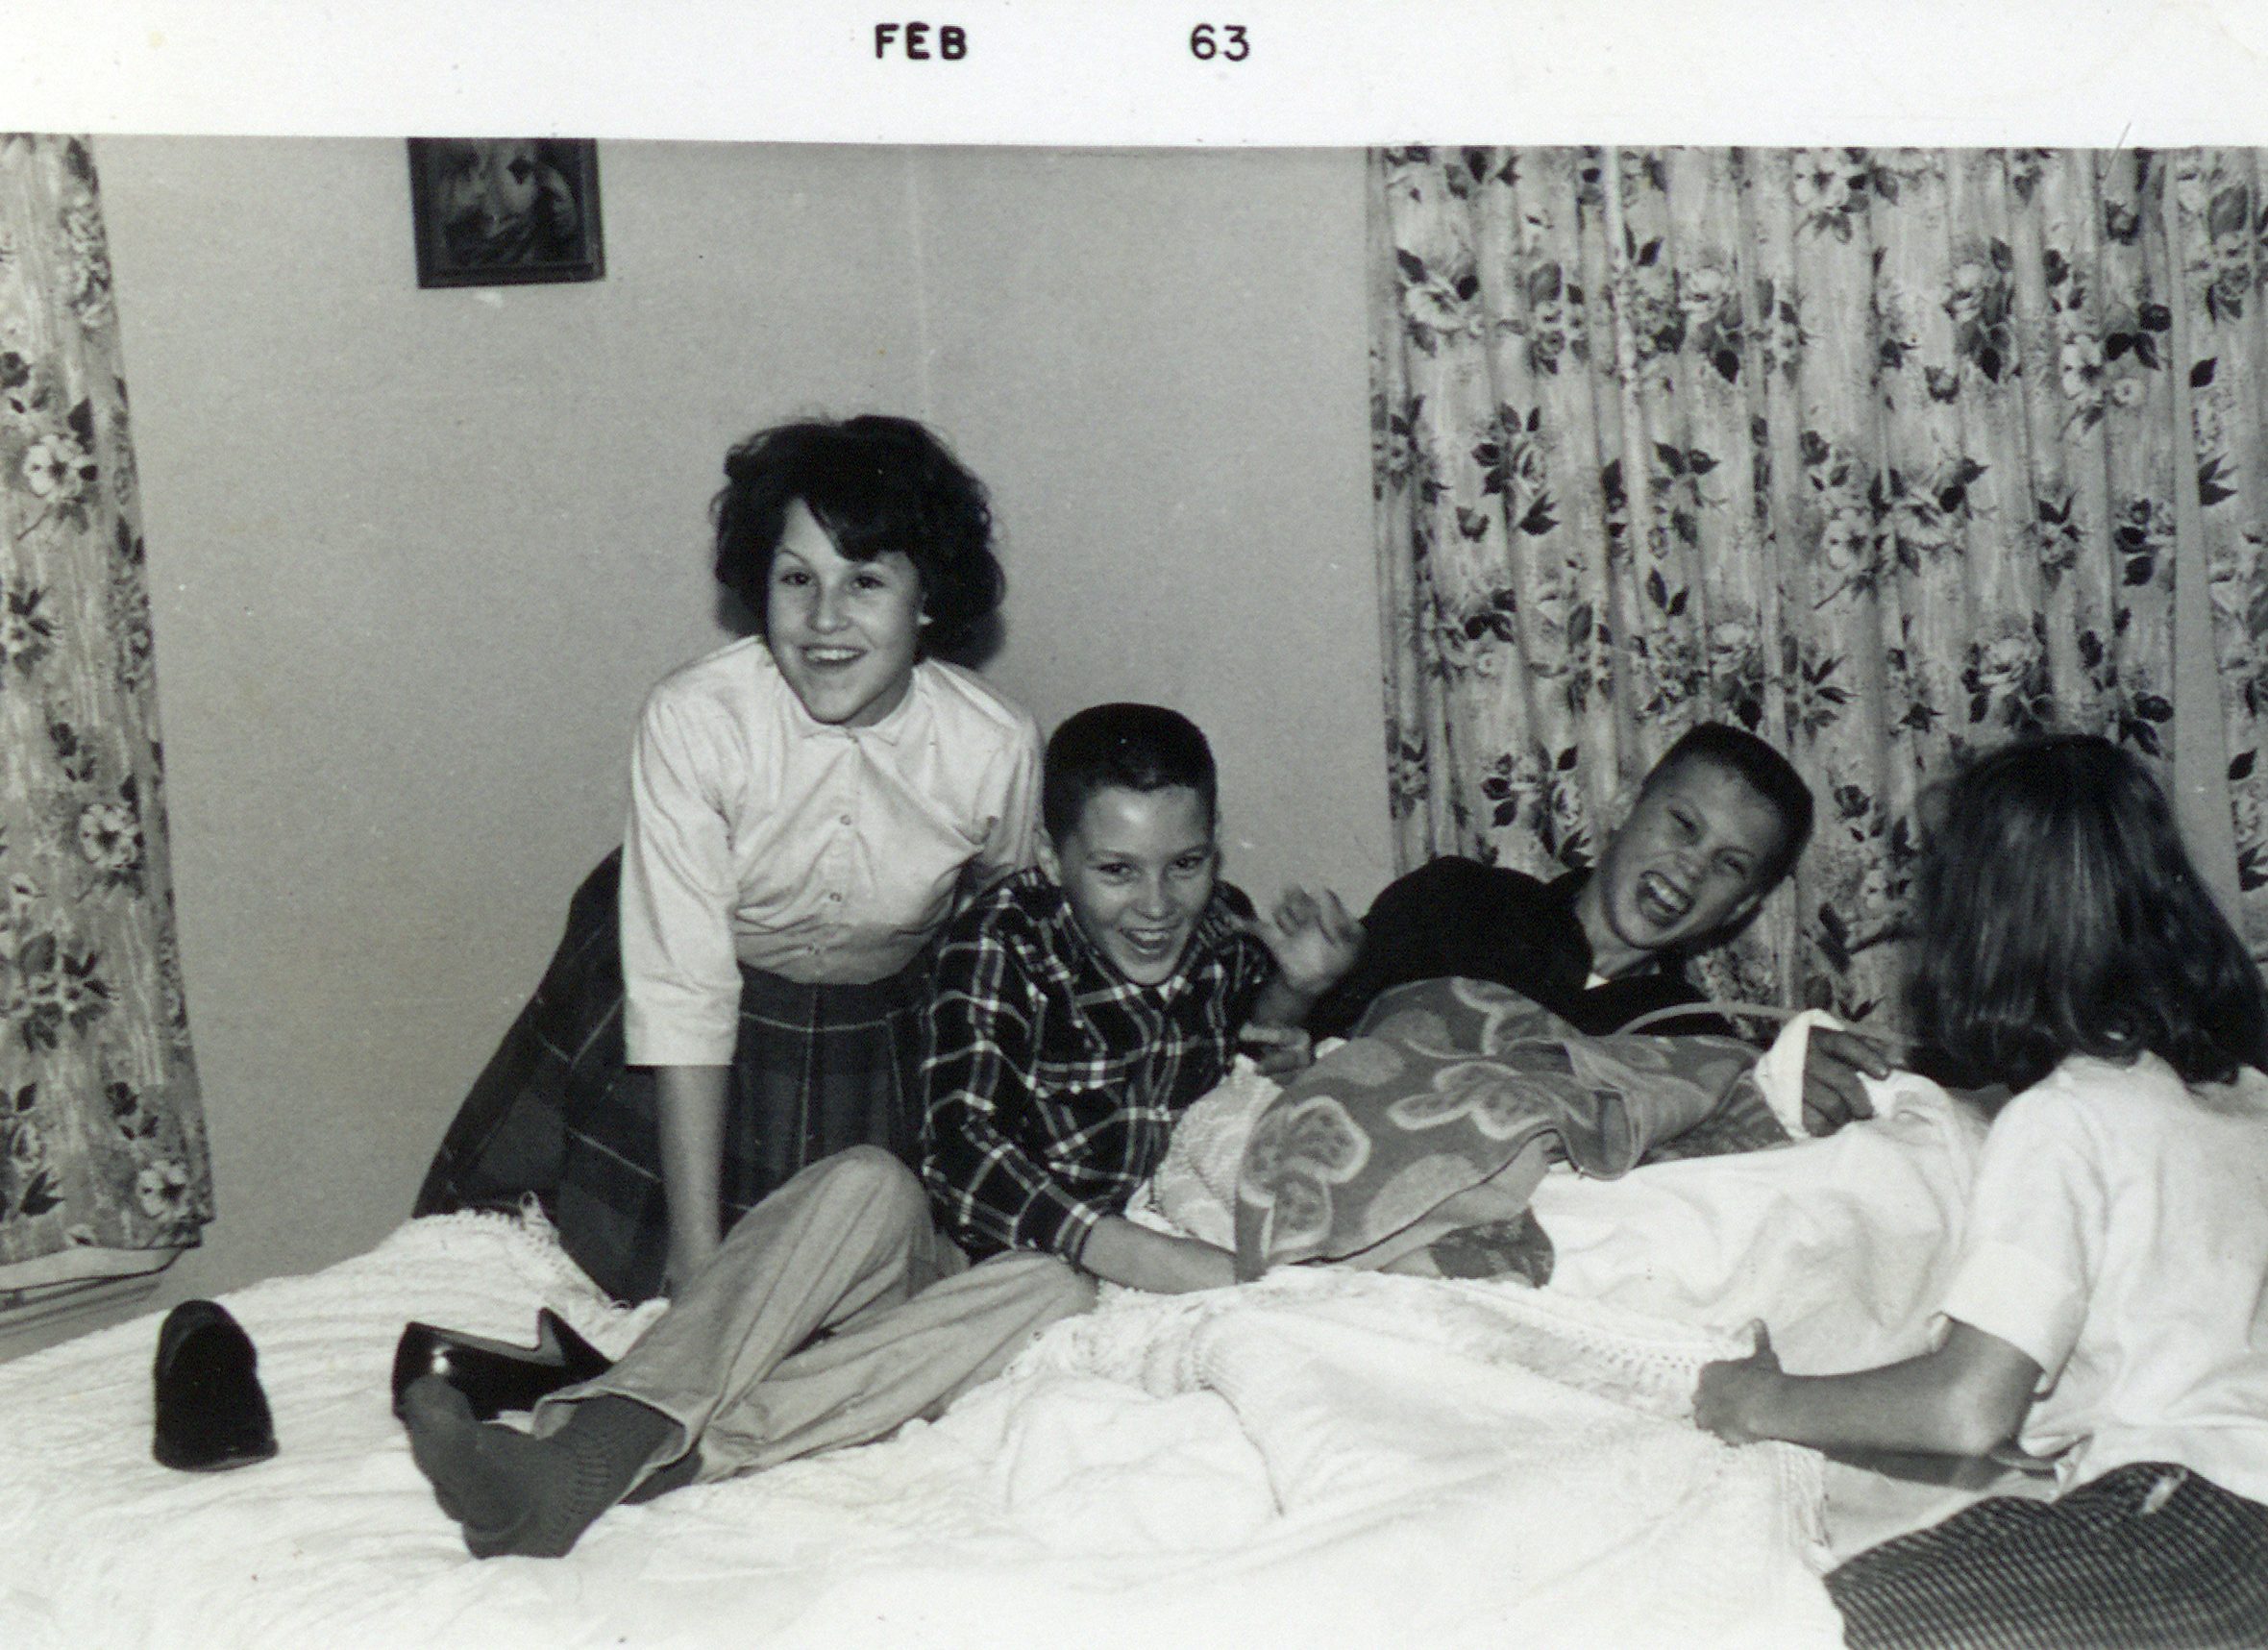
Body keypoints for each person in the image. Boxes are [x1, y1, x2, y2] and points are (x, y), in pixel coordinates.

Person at [401, 702, 1362, 1559]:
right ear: (1050, 856)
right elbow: (965, 1154)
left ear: (1212, 849)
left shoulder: (1222, 933)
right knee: (867, 1176)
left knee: (1054, 1285)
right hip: (944, 1255)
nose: (1155, 905)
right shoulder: (1003, 936)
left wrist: (1297, 992)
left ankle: (609, 1464)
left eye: (1185, 864)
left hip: (1016, 1304)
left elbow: (1243, 1055)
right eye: (1115, 870)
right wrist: (1141, 1252)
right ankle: (604, 1435)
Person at [414, 415, 1043, 1302]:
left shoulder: (996, 745)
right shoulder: (695, 718)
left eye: (865, 581)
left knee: (829, 1294)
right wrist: (696, 1254)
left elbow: (1008, 948)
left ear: (928, 598)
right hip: (673, 1019)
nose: (824, 619)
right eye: (796, 578)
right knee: (579, 1279)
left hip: (870, 1036)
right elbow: (686, 992)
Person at [1694, 733, 2268, 1649]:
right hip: (2231, 1527)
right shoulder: (2246, 1098)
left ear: (1988, 921)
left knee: (1793, 1620)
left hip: (2194, 1532)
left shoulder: (2069, 1114)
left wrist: (1754, 1399)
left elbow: (1967, 1404)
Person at [1307, 723, 1882, 1132]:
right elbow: (1296, 1057)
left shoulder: (1691, 1036)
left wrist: (1781, 1082)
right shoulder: (1457, 900)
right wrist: (1296, 994)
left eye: (1729, 865)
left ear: (1740, 908)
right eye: (1684, 825)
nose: (1692, 866)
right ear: (1624, 807)